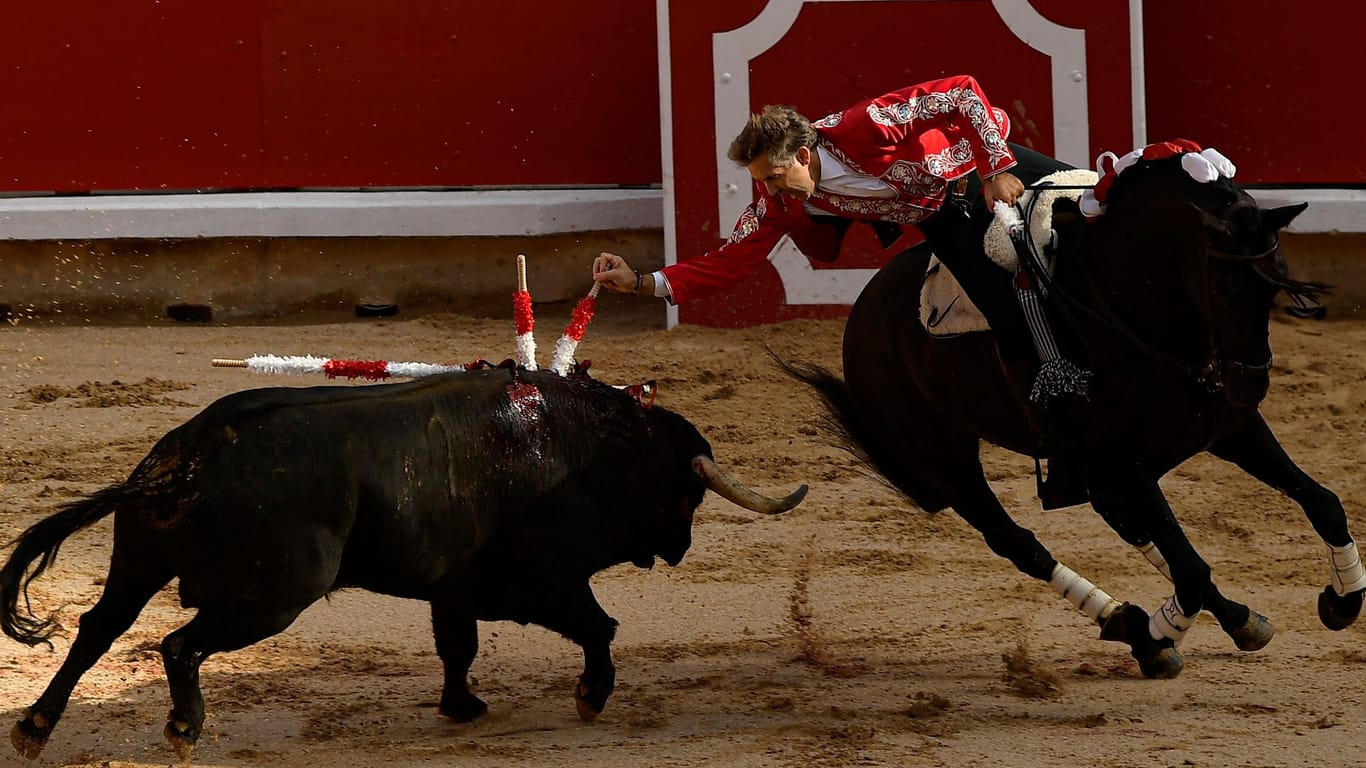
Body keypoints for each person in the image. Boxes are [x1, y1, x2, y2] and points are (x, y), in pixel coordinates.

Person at [592, 75, 1087, 508]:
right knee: (1008, 318)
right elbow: (731, 259)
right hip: (944, 223)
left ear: (803, 155)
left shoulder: (865, 125)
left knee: (1091, 211)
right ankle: (1069, 442)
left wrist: (994, 167)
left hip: (980, 172)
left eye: (777, 177)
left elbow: (959, 90)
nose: (773, 191)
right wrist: (642, 283)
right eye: (763, 182)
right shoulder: (778, 198)